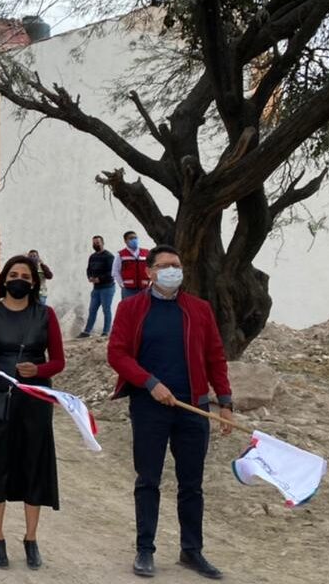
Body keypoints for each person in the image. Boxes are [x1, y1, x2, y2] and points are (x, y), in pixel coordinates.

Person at [107, 245, 233, 580]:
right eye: (164, 266)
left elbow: (215, 357)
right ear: (149, 271)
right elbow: (117, 354)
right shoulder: (131, 308)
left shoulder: (199, 309)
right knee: (148, 480)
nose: (172, 271)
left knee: (191, 484)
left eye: (176, 265)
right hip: (150, 407)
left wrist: (226, 401)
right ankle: (145, 549)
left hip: (194, 407)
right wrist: (149, 383)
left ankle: (192, 551)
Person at [0, 255, 66, 571]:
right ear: (5, 279)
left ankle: (31, 539)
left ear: (33, 282)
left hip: (34, 399)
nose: (18, 279)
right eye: (13, 274)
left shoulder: (45, 315)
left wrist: (39, 369)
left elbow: (59, 361)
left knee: (32, 465)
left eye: (25, 275)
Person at [79, 236, 116, 338]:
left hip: (107, 288)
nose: (96, 244)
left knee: (106, 309)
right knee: (92, 310)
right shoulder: (92, 256)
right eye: (94, 243)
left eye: (98, 242)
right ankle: (87, 332)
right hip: (96, 289)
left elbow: (112, 273)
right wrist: (89, 277)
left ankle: (106, 332)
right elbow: (88, 269)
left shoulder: (109, 256)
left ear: (103, 243)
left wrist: (99, 279)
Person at [113, 231, 152, 300]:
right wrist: (122, 284)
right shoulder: (121, 254)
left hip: (144, 288)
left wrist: (151, 281)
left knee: (144, 308)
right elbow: (115, 271)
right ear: (125, 241)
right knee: (129, 308)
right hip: (128, 289)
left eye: (135, 238)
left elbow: (152, 268)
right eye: (131, 238)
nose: (134, 240)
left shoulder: (146, 253)